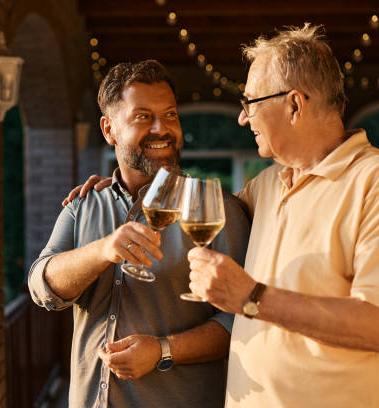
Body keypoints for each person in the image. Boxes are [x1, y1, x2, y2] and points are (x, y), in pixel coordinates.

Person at [68, 24, 379, 408]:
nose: (243, 118)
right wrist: (123, 181)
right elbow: (192, 204)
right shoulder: (267, 185)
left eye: (251, 102)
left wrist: (252, 298)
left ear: (294, 104)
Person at [28, 60, 250, 408]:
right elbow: (42, 287)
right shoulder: (83, 206)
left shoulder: (216, 210)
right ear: (109, 130)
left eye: (171, 115)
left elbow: (242, 318)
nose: (162, 128)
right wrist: (102, 251)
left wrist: (163, 350)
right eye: (143, 116)